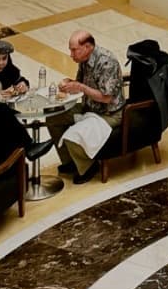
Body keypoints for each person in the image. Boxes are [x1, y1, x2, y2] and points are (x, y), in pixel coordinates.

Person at [48, 30, 124, 182]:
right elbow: (80, 84)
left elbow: (106, 98)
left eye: (74, 50)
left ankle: (88, 167)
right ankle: (70, 161)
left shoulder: (107, 62)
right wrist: (68, 83)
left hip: (108, 113)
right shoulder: (84, 60)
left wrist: (81, 87)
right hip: (89, 107)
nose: (71, 54)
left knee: (73, 135)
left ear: (88, 47)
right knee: (53, 117)